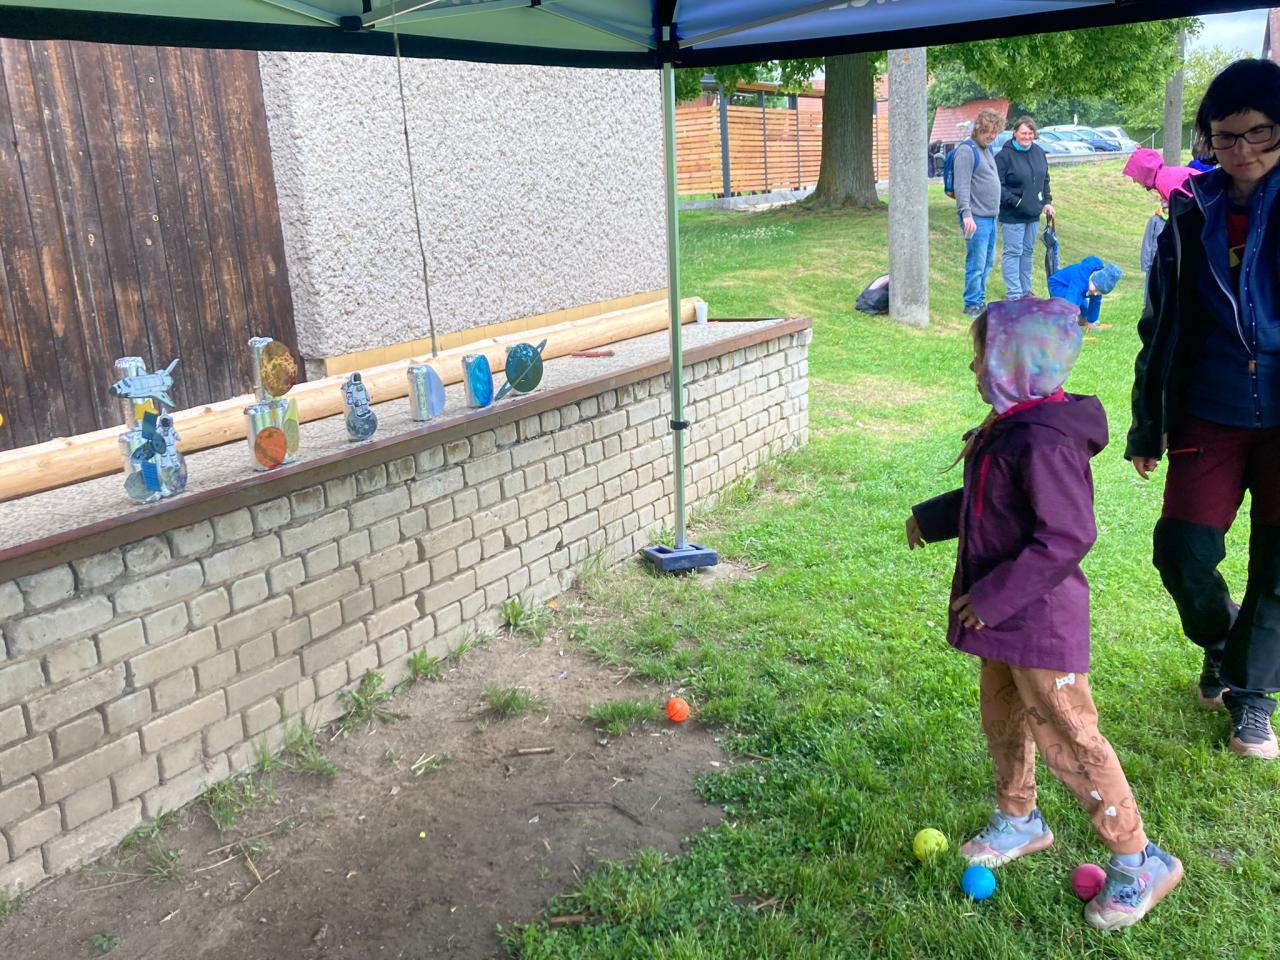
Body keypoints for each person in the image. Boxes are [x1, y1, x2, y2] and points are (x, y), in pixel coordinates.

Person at [908, 298, 1183, 931]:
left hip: (1037, 620)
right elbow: (991, 501)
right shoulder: (1013, 426)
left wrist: (994, 598)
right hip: (1003, 619)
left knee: (1070, 737)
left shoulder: (1043, 440)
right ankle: (1019, 817)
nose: (973, 366)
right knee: (1003, 715)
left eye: (981, 355)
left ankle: (1139, 859)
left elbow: (1066, 535)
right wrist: (932, 517)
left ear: (1017, 363)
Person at [1128, 58, 1280, 759]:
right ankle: (1223, 642)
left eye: (1259, 133)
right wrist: (1146, 424)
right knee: (1181, 552)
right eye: (1225, 136)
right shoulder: (1190, 211)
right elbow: (1160, 324)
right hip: (1209, 411)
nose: (1241, 150)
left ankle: (1254, 696)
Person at [953, 109, 1005, 318]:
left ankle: (979, 300)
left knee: (987, 263)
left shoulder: (986, 150)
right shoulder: (967, 151)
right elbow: (962, 186)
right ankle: (971, 303)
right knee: (976, 262)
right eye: (988, 131)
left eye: (995, 132)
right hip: (976, 218)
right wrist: (966, 214)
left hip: (990, 217)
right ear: (978, 129)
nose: (991, 136)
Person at [996, 117, 1055, 299]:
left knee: (1027, 252)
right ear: (1015, 133)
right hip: (1012, 214)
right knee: (1013, 252)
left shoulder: (1038, 152)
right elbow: (997, 185)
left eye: (1030, 133)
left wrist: (1047, 202)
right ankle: (1014, 293)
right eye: (1023, 133)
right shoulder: (1004, 156)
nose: (1027, 137)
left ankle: (1025, 291)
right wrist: (1015, 201)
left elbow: (1045, 180)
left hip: (1033, 213)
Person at [1047, 257, 1123, 328]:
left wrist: (1091, 321)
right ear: (1093, 279)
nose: (1096, 293)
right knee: (1074, 304)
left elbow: (1096, 302)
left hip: (1076, 291)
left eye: (1100, 293)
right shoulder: (1080, 278)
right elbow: (1072, 297)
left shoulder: (1096, 285)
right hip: (1058, 285)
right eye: (1096, 290)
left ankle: (1083, 321)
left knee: (1085, 312)